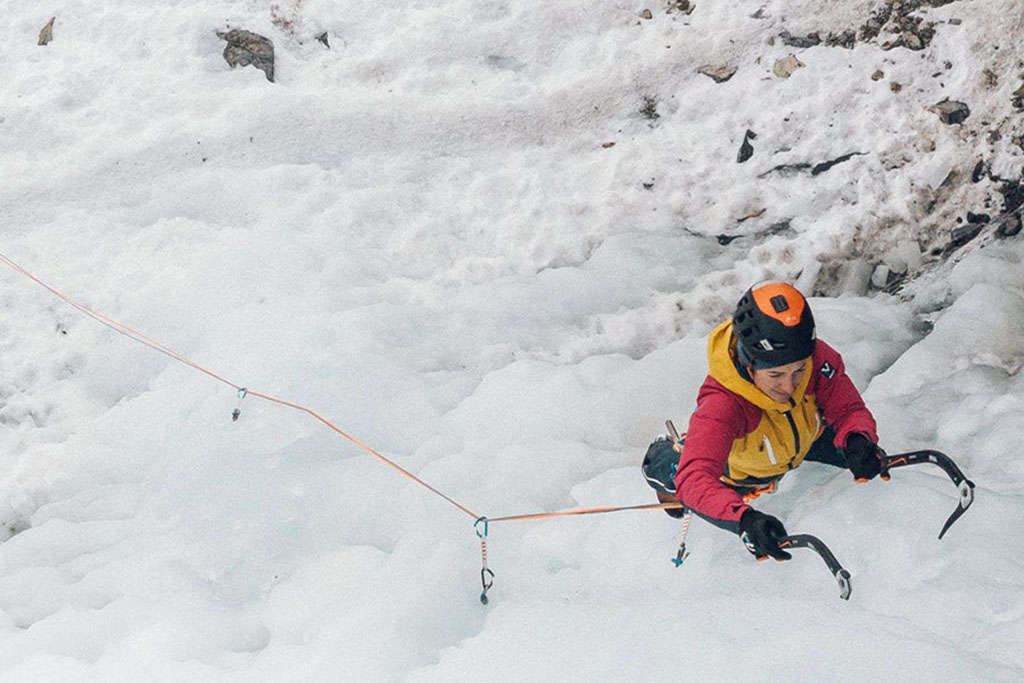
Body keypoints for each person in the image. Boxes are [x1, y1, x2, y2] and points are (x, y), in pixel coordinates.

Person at [642, 282, 886, 561]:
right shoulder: (723, 403)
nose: (789, 386)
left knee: (861, 455)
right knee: (685, 481)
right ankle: (664, 460)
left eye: (798, 371)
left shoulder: (817, 359)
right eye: (775, 375)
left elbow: (848, 410)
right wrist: (744, 520)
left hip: (803, 441)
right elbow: (695, 479)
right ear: (748, 363)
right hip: (739, 472)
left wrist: (857, 437)